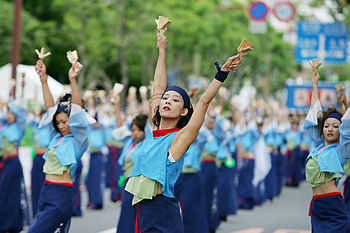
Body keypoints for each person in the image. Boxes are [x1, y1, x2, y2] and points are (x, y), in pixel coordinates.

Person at [124, 33, 242, 233]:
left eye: (175, 100)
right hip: (142, 210)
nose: (167, 101)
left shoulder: (179, 138)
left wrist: (222, 73)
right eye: (166, 98)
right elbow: (158, 89)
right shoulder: (152, 132)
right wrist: (162, 50)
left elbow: (204, 101)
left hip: (162, 212)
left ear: (185, 111)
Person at [28, 59, 93, 233]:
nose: (62, 125)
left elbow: (78, 112)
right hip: (46, 190)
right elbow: (50, 110)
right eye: (59, 123)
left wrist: (73, 80)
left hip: (61, 195)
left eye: (65, 121)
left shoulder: (79, 140)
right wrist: (43, 80)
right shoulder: (56, 137)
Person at [304, 66, 350, 233]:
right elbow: (314, 117)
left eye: (335, 126)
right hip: (317, 206)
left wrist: (346, 104)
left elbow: (348, 126)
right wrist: (314, 86)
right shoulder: (318, 147)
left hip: (333, 206)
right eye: (327, 126)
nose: (330, 129)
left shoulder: (342, 149)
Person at [0, 96, 28, 232]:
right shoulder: (4, 127)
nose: (8, 115)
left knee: (13, 194)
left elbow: (23, 113)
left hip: (13, 162)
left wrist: (12, 100)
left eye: (11, 113)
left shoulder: (19, 127)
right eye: (8, 112)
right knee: (4, 194)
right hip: (4, 163)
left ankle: (12, 225)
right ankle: (5, 223)